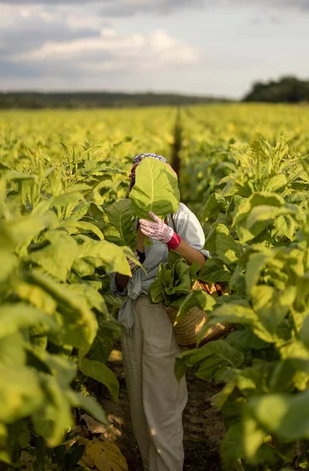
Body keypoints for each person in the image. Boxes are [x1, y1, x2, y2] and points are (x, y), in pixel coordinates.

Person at [110, 152, 209, 471]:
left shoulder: (179, 214)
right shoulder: (125, 218)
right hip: (132, 322)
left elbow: (205, 265)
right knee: (139, 413)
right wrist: (133, 254)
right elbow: (119, 286)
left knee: (162, 413)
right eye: (137, 180)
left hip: (163, 318)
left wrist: (171, 239)